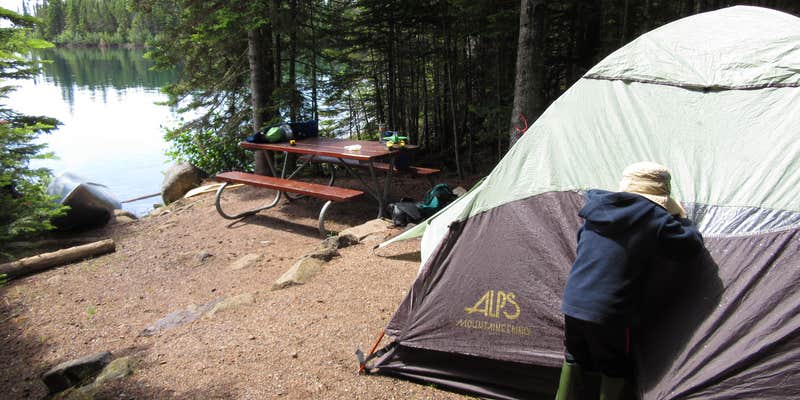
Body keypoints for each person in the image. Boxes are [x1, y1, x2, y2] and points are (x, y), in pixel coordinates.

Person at [555, 161, 704, 400]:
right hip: (610, 312)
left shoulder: (596, 209)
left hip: (573, 301)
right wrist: (683, 220)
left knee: (574, 355)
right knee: (614, 365)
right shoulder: (655, 217)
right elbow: (690, 247)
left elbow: (581, 240)